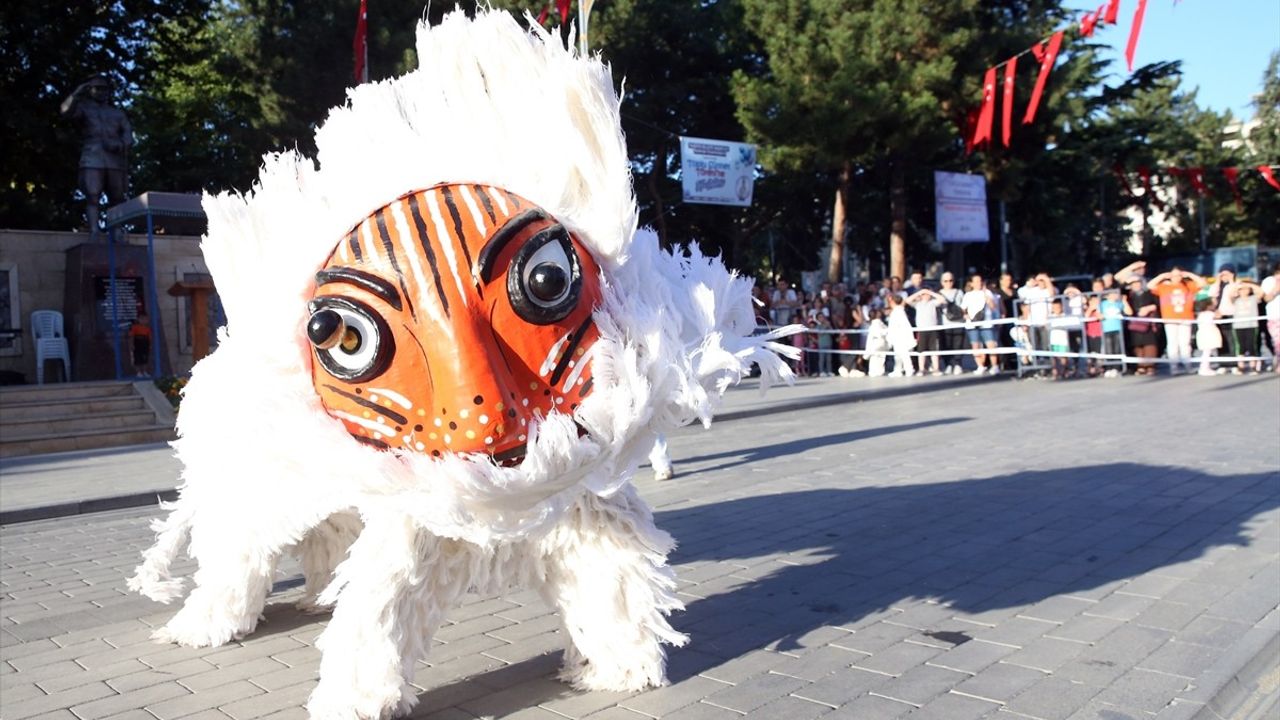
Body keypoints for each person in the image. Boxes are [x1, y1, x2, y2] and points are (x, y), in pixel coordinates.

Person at [61, 74, 133, 234]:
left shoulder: (118, 114)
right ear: (90, 90)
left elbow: (128, 135)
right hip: (92, 157)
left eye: (104, 89)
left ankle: (117, 230)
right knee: (92, 195)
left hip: (114, 160)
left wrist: (120, 145)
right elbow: (65, 111)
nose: (101, 92)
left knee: (117, 197)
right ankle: (94, 230)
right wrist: (77, 93)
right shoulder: (84, 109)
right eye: (97, 88)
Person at [1147, 267, 1205, 375]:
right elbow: (1149, 285)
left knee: (1185, 343)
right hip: (1170, 318)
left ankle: (1187, 365)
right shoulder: (1164, 287)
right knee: (1172, 343)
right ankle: (1174, 367)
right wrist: (1162, 276)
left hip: (1185, 317)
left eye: (1178, 275)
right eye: (1174, 275)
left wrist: (1189, 274)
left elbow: (1202, 283)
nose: (1176, 278)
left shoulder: (1188, 285)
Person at [961, 273, 999, 374]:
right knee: (975, 345)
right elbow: (963, 308)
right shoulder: (968, 295)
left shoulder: (988, 293)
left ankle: (995, 366)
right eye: (976, 281)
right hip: (972, 323)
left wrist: (986, 295)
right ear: (972, 283)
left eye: (980, 281)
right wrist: (966, 315)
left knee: (991, 344)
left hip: (986, 322)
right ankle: (980, 366)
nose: (979, 283)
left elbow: (993, 307)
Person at [905, 287, 944, 375]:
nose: (926, 295)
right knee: (921, 350)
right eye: (924, 294)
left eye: (927, 294)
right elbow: (907, 300)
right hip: (922, 330)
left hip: (933, 329)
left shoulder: (933, 303)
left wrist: (930, 292)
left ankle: (936, 369)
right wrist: (920, 292)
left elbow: (942, 299)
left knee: (934, 350)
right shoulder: (918, 304)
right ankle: (922, 369)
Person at [1226, 280, 1262, 374]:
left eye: (1245, 289)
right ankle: (1240, 366)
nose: (1243, 291)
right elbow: (1229, 295)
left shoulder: (1253, 298)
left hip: (1251, 325)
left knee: (1252, 345)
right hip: (1238, 326)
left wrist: (1249, 284)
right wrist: (1237, 286)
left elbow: (1260, 292)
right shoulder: (1236, 300)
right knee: (1240, 346)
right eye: (1242, 289)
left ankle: (1253, 366)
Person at [1126, 277, 1160, 376]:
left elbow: (1156, 305)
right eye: (1133, 283)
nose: (1136, 285)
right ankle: (1140, 366)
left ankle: (1150, 366)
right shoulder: (1129, 296)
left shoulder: (1149, 294)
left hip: (1148, 322)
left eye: (1138, 283)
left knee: (1150, 345)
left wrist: (1148, 308)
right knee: (1137, 345)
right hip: (1134, 323)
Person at [937, 272, 966, 374]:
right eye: (945, 281)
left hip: (959, 322)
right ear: (941, 282)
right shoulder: (938, 294)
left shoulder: (959, 292)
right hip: (944, 323)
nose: (948, 283)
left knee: (958, 344)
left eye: (951, 280)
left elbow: (964, 306)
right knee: (946, 344)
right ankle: (948, 364)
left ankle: (958, 364)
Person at [1099, 287, 1130, 378]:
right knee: (1109, 350)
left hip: (1117, 328)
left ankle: (1117, 368)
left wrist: (1124, 301)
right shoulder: (1102, 304)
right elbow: (1098, 314)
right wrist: (1100, 316)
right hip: (1106, 329)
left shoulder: (1118, 304)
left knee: (1117, 348)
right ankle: (1109, 368)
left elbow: (1129, 312)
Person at [885, 294, 915, 377]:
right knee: (898, 355)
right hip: (897, 336)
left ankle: (909, 369)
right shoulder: (897, 311)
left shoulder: (899, 311)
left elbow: (903, 325)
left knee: (904, 354)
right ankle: (898, 370)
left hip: (901, 336)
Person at [1194, 298, 1223, 376]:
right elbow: (1219, 315)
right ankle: (1204, 368)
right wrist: (1217, 309)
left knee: (1207, 352)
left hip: (1203, 333)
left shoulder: (1200, 314)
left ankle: (1206, 367)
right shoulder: (1209, 313)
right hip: (1208, 333)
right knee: (1207, 352)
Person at [1261, 261, 1280, 373]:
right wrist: (1276, 289)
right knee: (1278, 342)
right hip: (1275, 316)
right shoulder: (1269, 281)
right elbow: (1266, 298)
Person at [1048, 300, 1072, 379]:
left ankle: (1063, 371)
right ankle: (1055, 372)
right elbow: (1046, 326)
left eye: (1058, 307)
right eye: (1054, 307)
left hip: (1062, 340)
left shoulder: (1064, 315)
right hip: (1053, 340)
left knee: (1063, 356)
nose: (1056, 309)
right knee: (1054, 357)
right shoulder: (1050, 317)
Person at [864, 310, 889, 377]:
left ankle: (873, 372)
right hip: (881, 342)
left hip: (875, 343)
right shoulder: (879, 323)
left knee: (874, 358)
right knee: (880, 358)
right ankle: (879, 372)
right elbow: (885, 331)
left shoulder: (873, 324)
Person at [1083, 295, 1103, 377]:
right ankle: (1090, 369)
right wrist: (1091, 308)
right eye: (1092, 301)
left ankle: (1099, 369)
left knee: (1099, 353)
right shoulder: (1087, 310)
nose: (1094, 303)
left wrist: (1097, 309)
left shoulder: (1100, 310)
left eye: (1096, 301)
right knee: (1090, 354)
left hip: (1099, 334)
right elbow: (1085, 316)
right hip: (1089, 335)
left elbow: (1101, 317)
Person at [130, 311, 152, 377]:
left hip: (145, 344)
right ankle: (139, 372)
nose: (143, 321)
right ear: (138, 319)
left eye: (145, 319)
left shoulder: (148, 328)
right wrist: (132, 344)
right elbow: (132, 336)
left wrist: (150, 345)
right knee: (137, 358)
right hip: (137, 343)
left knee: (145, 358)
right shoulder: (135, 327)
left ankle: (145, 371)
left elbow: (149, 337)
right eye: (142, 319)